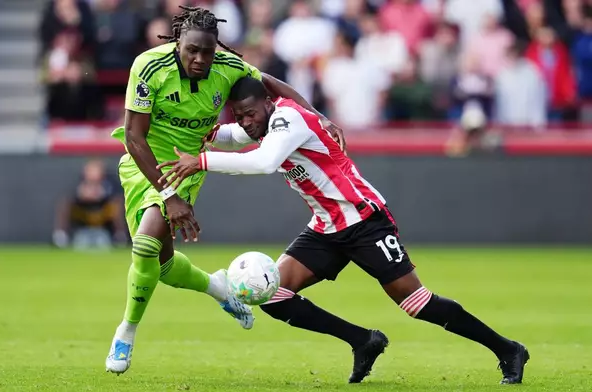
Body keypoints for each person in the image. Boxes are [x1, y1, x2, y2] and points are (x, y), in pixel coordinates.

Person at [156, 77, 530, 385]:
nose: (247, 121)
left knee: (415, 303)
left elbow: (265, 161)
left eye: (251, 113)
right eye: (240, 115)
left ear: (269, 102)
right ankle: (363, 340)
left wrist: (200, 161)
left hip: (364, 220)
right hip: (326, 228)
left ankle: (508, 349)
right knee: (270, 294)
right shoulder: (263, 122)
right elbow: (237, 137)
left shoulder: (290, 119)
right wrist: (203, 132)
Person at [106, 6, 347, 375]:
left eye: (207, 51)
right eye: (192, 51)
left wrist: (319, 116)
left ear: (216, 47)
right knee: (164, 268)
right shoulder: (149, 66)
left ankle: (127, 330)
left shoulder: (229, 66)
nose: (200, 59)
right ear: (177, 44)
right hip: (144, 161)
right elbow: (134, 136)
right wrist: (168, 198)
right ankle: (218, 288)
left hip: (185, 165)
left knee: (144, 243)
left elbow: (271, 86)